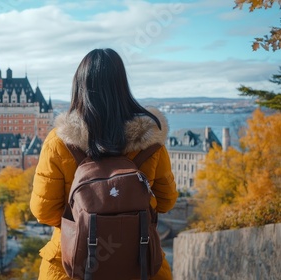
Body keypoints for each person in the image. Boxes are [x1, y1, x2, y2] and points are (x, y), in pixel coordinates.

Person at [30, 48, 178, 280]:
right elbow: (167, 201)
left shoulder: (59, 142)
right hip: (140, 263)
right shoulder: (150, 140)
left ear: (79, 87)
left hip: (72, 265)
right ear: (122, 86)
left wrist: (86, 217)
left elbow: (44, 211)